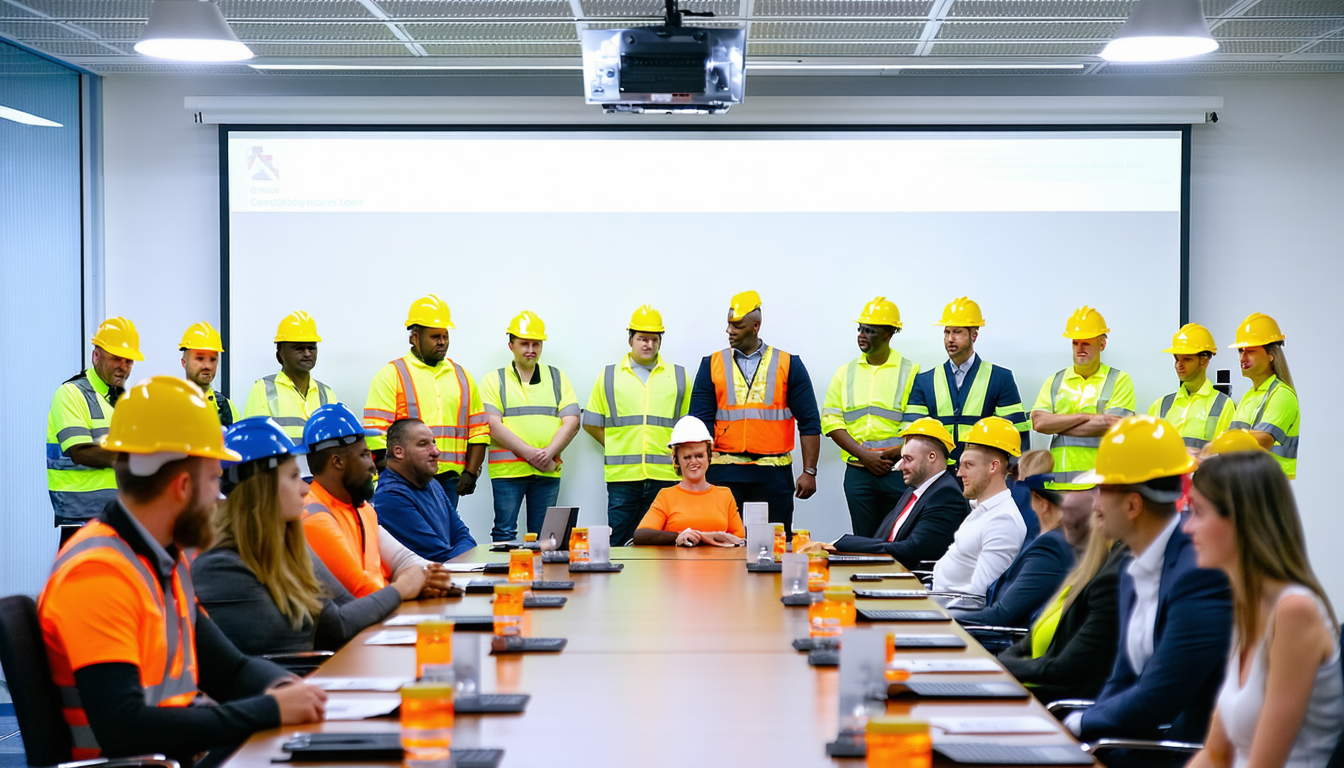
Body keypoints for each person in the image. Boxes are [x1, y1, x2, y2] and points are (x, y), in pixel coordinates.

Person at [38, 376, 327, 765]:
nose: (219, 498)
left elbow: (231, 671)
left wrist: (292, 690)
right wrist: (271, 710)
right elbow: (123, 727)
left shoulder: (160, 562)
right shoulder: (98, 573)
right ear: (183, 486)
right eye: (214, 480)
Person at [1063, 416, 1233, 759]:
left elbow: (1160, 699)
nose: (1094, 505)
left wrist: (1079, 725)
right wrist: (1084, 731)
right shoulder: (1133, 566)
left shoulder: (1198, 573)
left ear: (1132, 505)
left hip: (1176, 754)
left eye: (1102, 491)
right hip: (1129, 744)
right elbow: (1123, 678)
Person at [195, 417, 423, 657]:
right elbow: (339, 625)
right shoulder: (220, 566)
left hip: (318, 673)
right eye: (294, 477)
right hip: (297, 676)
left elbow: (346, 608)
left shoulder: (290, 544)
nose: (306, 488)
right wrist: (402, 588)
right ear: (263, 487)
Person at [1184, 451, 1342, 768]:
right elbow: (1215, 754)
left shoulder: (1294, 612)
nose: (1188, 527)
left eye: (1198, 512)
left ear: (1241, 520)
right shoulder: (1248, 604)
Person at [689, 290, 821, 536]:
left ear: (755, 327)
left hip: (773, 475)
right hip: (724, 474)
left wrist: (809, 471)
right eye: (729, 324)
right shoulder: (712, 364)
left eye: (737, 325)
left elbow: (810, 421)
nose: (729, 330)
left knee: (773, 545)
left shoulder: (788, 364)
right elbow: (699, 423)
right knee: (722, 544)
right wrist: (696, 471)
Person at [299, 404, 456, 600]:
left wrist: (420, 581)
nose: (373, 466)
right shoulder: (313, 515)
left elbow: (405, 560)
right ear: (337, 462)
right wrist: (409, 586)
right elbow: (362, 592)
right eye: (365, 455)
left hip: (383, 613)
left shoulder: (363, 508)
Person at [363, 295, 488, 509]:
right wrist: (392, 478)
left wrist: (471, 472)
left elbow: (479, 430)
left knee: (446, 530)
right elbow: (375, 434)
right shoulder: (391, 375)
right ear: (414, 337)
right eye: (435, 336)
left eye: (445, 336)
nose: (442, 342)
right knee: (412, 530)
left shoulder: (463, 377)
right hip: (408, 480)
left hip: (450, 480)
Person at [583, 305, 691, 546]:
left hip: (665, 476)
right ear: (630, 339)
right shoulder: (609, 376)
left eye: (654, 339)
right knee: (619, 542)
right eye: (642, 338)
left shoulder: (679, 377)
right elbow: (591, 423)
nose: (648, 344)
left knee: (663, 543)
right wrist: (616, 445)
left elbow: (687, 428)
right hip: (623, 478)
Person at [999, 512, 1127, 703]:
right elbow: (1028, 643)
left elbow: (1064, 670)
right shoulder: (1082, 575)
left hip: (1053, 701)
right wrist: (1002, 661)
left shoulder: (1110, 579)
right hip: (1030, 686)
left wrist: (1000, 664)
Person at [820, 297, 918, 538]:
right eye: (860, 329)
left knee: (899, 539)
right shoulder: (845, 373)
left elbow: (916, 425)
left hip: (898, 472)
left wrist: (890, 455)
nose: (862, 335)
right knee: (864, 540)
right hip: (858, 474)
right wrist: (864, 455)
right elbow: (831, 421)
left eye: (870, 330)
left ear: (889, 333)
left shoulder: (910, 371)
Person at [480, 311, 581, 541]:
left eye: (536, 344)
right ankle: (508, 568)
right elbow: (492, 424)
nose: (531, 349)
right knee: (505, 532)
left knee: (545, 536)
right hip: (508, 471)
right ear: (511, 346)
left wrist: (548, 453)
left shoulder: (558, 377)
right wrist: (533, 455)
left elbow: (573, 421)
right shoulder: (494, 380)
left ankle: (539, 569)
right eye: (524, 343)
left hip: (547, 469)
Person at [950, 456, 1084, 628]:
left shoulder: (1050, 547)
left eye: (1029, 498)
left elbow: (1001, 615)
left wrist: (944, 616)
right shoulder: (1047, 539)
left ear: (1042, 504)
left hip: (998, 638)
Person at [820, 418, 969, 569]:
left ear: (932, 457)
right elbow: (885, 539)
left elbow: (912, 549)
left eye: (908, 459)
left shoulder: (946, 496)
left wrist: (844, 543)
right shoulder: (913, 491)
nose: (899, 466)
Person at [906, 297, 1029, 462]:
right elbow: (914, 433)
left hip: (982, 469)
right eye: (947, 332)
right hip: (938, 470)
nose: (950, 339)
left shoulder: (1001, 378)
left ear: (974, 335)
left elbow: (1016, 430)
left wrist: (1014, 468)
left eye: (957, 332)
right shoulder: (924, 381)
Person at [46, 317, 142, 526]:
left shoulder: (124, 401)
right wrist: (138, 458)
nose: (123, 367)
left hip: (118, 517)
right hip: (80, 519)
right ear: (96, 356)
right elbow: (80, 453)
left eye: (128, 361)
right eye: (116, 358)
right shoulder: (71, 394)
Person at [1030, 306, 1136, 486]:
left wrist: (1058, 424)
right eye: (1075, 343)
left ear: (1102, 344)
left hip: (1102, 485)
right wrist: (1085, 417)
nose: (1079, 348)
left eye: (1086, 343)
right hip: (1060, 484)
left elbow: (1113, 424)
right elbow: (1039, 423)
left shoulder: (1119, 380)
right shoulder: (1055, 381)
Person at [932, 417, 1028, 601]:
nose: (959, 473)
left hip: (949, 614)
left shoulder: (1003, 521)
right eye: (960, 465)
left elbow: (976, 599)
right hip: (936, 602)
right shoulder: (981, 511)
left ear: (993, 466)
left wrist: (929, 611)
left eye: (968, 465)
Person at [372, 418, 478, 562]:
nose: (436, 452)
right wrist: (465, 555)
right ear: (398, 452)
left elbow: (464, 538)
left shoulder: (432, 483)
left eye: (433, 443)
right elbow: (438, 557)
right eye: (423, 444)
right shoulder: (390, 497)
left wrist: (465, 554)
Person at [633, 416, 745, 547]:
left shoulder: (724, 495)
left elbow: (740, 540)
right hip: (676, 561)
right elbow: (640, 536)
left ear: (709, 456)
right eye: (687, 457)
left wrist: (701, 536)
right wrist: (678, 537)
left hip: (719, 560)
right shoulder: (666, 496)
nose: (694, 462)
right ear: (676, 460)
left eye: (699, 456)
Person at [243, 311, 337, 453]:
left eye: (311, 347)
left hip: (318, 468)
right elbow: (255, 444)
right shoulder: (263, 390)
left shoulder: (326, 393)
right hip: (282, 467)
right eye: (299, 348)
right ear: (279, 354)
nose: (307, 353)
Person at [1227, 312, 1300, 479]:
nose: (1242, 358)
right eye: (1240, 351)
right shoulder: (1248, 397)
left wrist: (1221, 442)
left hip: (1272, 486)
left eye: (1250, 351)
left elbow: (1262, 441)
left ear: (1271, 355)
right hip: (1249, 485)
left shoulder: (1282, 395)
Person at [1148, 323, 1233, 454]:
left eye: (1187, 359)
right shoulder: (1160, 405)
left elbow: (1226, 453)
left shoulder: (1223, 405)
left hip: (1204, 468)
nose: (1179, 365)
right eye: (1176, 359)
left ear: (1204, 360)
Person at [179, 321, 241, 427]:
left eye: (213, 359)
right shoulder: (171, 404)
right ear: (184, 362)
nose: (208, 366)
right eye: (200, 358)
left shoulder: (227, 407)